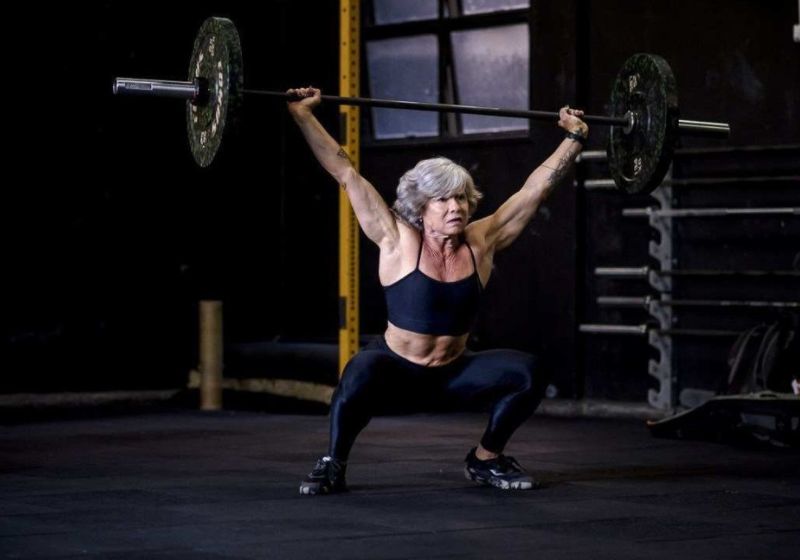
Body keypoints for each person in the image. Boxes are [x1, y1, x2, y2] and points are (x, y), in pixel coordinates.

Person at [287, 86, 588, 494]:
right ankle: (333, 463)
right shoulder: (396, 238)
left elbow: (535, 191)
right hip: (396, 369)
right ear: (421, 205)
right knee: (358, 372)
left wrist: (573, 138)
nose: (456, 208)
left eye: (462, 198)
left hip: (454, 372)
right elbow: (344, 172)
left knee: (527, 371)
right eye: (443, 199)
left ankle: (485, 459)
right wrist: (303, 115)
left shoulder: (482, 241)